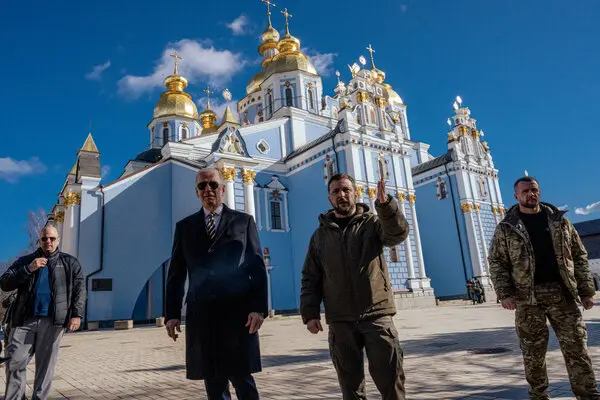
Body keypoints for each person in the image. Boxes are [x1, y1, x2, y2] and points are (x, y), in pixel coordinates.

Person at [489, 176, 600, 400]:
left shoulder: (559, 221)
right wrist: (505, 293)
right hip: (527, 299)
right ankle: (539, 397)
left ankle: (588, 395)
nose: (531, 194)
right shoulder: (507, 228)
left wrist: (586, 291)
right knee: (533, 354)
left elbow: (579, 255)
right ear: (516, 196)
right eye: (526, 191)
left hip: (562, 295)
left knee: (577, 349)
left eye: (534, 190)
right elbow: (497, 262)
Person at [300, 173, 409, 400]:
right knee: (350, 389)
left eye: (346, 190)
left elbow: (397, 233)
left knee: (391, 383)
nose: (342, 195)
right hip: (341, 322)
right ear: (329, 198)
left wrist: (385, 205)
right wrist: (310, 313)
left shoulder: (372, 224)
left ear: (355, 193)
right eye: (336, 191)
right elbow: (311, 277)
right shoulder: (320, 236)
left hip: (376, 316)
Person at [165, 167, 268, 400]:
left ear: (222, 189)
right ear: (197, 192)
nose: (208, 190)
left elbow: (257, 268)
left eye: (213, 185)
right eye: (202, 186)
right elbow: (176, 273)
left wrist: (259, 308)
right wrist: (171, 313)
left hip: (238, 314)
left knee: (243, 378)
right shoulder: (185, 227)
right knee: (213, 381)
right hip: (202, 314)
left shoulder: (243, 222)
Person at [0, 224, 85, 400]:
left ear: (58, 240)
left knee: (45, 367)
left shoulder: (70, 262)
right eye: (44, 238)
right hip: (24, 321)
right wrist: (28, 269)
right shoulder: (26, 261)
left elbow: (79, 290)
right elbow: (5, 283)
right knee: (15, 362)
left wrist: (76, 314)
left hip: (54, 322)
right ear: (39, 240)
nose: (48, 242)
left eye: (52, 238)